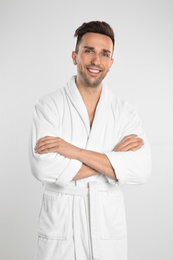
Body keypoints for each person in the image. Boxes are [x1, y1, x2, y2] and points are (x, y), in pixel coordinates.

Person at [29, 21, 151, 260]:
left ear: (111, 63)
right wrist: (113, 160)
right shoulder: (49, 106)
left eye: (104, 54)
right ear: (75, 56)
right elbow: (43, 168)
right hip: (61, 230)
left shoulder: (125, 112)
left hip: (106, 228)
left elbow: (141, 170)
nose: (96, 60)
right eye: (89, 51)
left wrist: (73, 151)